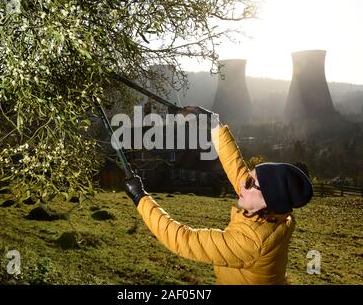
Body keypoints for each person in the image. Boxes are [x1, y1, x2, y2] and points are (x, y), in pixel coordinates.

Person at [124, 106, 313, 285]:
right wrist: (214, 124)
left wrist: (140, 197)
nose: (241, 183)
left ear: (267, 201)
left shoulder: (250, 244)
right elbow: (236, 167)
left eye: (249, 183)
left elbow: (184, 240)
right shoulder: (279, 214)